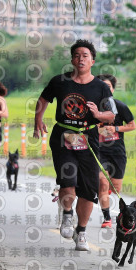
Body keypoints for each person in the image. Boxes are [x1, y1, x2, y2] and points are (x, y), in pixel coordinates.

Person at [33, 39, 116, 251]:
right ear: (72, 60)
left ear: (92, 61)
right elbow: (43, 100)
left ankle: (82, 231)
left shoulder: (101, 87)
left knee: (88, 190)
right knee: (67, 179)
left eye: (85, 56)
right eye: (77, 55)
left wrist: (98, 114)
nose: (81, 59)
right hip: (63, 136)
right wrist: (38, 120)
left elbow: (111, 114)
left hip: (88, 138)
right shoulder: (59, 81)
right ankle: (67, 215)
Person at [96, 74, 136, 228]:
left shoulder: (120, 106)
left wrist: (116, 129)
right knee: (103, 182)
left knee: (115, 188)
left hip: (117, 152)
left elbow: (132, 126)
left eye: (108, 87)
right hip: (99, 151)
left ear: (112, 89)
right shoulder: (92, 108)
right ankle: (107, 218)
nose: (105, 90)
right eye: (101, 87)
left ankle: (105, 192)